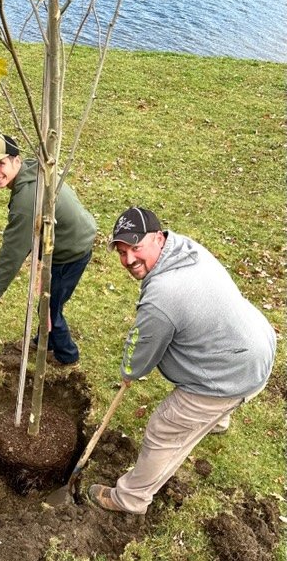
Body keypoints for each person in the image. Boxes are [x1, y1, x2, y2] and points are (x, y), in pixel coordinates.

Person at [88, 207, 276, 514]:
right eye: (122, 252)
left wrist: (129, 372)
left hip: (233, 371)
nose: (129, 260)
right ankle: (219, 416)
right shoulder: (185, 248)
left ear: (159, 238)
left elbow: (141, 350)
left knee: (164, 429)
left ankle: (130, 499)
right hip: (256, 344)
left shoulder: (162, 296)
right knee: (212, 390)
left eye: (136, 248)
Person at [0, 134, 97, 366]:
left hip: (71, 251)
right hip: (67, 240)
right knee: (47, 300)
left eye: (0, 164)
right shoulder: (34, 170)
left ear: (16, 161)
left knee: (51, 308)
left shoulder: (26, 200)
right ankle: (46, 340)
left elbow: (13, 250)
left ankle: (67, 357)